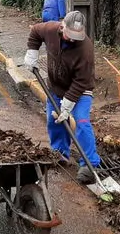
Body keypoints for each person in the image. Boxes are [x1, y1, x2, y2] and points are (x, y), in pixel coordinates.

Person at [24, 10, 102, 184]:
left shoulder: (85, 48)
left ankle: (90, 164)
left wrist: (67, 104)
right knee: (54, 121)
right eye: (70, 35)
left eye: (76, 36)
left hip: (80, 91)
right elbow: (35, 31)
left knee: (81, 121)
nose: (72, 40)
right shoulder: (50, 29)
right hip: (55, 88)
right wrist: (32, 52)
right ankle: (60, 153)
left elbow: (82, 81)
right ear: (62, 26)